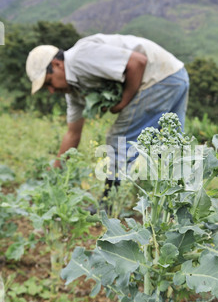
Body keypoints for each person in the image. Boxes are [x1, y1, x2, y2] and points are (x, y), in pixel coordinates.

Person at [26, 33, 189, 187]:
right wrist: (56, 168)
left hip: (159, 77)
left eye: (49, 82)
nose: (52, 91)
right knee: (168, 143)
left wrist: (122, 102)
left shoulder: (79, 57)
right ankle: (169, 201)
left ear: (57, 64)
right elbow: (73, 133)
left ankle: (110, 199)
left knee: (119, 139)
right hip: (176, 74)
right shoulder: (74, 93)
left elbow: (137, 62)